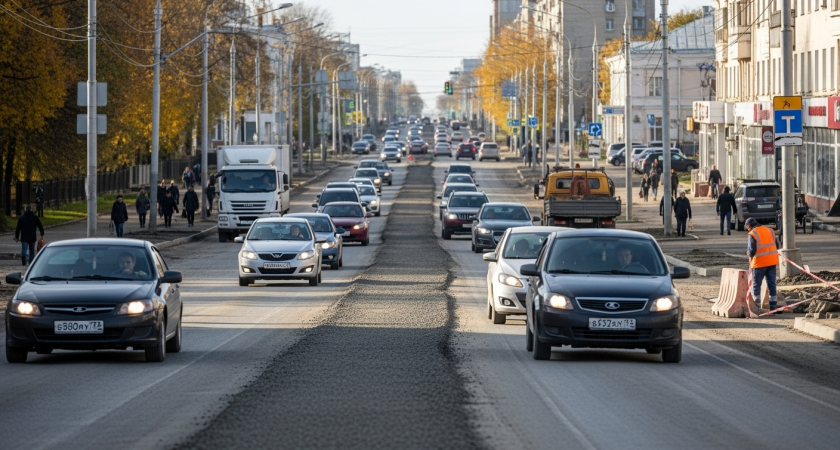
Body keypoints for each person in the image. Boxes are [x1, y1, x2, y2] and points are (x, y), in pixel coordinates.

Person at [745, 217, 779, 311]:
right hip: (772, 261)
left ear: (749, 226)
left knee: (756, 285)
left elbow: (751, 250)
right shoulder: (770, 231)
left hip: (759, 263)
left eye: (747, 228)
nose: (747, 229)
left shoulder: (753, 233)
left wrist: (748, 253)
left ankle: (756, 306)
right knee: (772, 284)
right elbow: (776, 245)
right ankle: (773, 306)